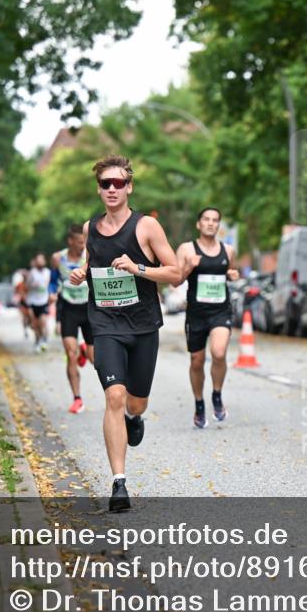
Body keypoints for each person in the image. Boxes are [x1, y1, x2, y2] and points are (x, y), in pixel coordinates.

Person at [67, 154, 181, 512]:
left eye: (119, 183)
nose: (112, 189)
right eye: (106, 184)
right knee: (114, 396)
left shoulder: (146, 226)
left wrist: (138, 268)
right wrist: (82, 273)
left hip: (143, 326)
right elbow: (94, 263)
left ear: (129, 187)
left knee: (134, 402)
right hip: (105, 324)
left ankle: (135, 418)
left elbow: (175, 273)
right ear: (99, 189)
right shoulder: (90, 228)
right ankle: (119, 483)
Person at [174, 208, 239, 428]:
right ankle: (199, 403)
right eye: (206, 219)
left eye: (215, 220)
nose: (211, 223)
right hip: (196, 313)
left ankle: (217, 395)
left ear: (218, 225)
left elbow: (231, 271)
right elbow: (175, 280)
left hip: (220, 310)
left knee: (219, 353)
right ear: (198, 224)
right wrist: (188, 266)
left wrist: (232, 275)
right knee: (197, 360)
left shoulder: (228, 250)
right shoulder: (186, 249)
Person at [51, 224, 93, 413]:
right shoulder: (58, 258)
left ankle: (85, 350)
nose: (82, 246)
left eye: (84, 242)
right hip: (68, 308)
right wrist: (52, 293)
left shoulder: (89, 256)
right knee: (70, 353)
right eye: (79, 242)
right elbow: (53, 281)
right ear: (70, 241)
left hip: (88, 307)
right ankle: (77, 398)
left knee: (94, 358)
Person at [26, 253, 51, 352]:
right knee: (35, 324)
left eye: (41, 260)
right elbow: (27, 286)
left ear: (44, 261)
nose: (40, 262)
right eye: (38, 260)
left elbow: (50, 285)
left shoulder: (47, 272)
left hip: (43, 301)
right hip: (32, 302)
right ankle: (37, 341)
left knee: (43, 322)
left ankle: (44, 339)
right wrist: (33, 285)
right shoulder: (32, 273)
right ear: (36, 262)